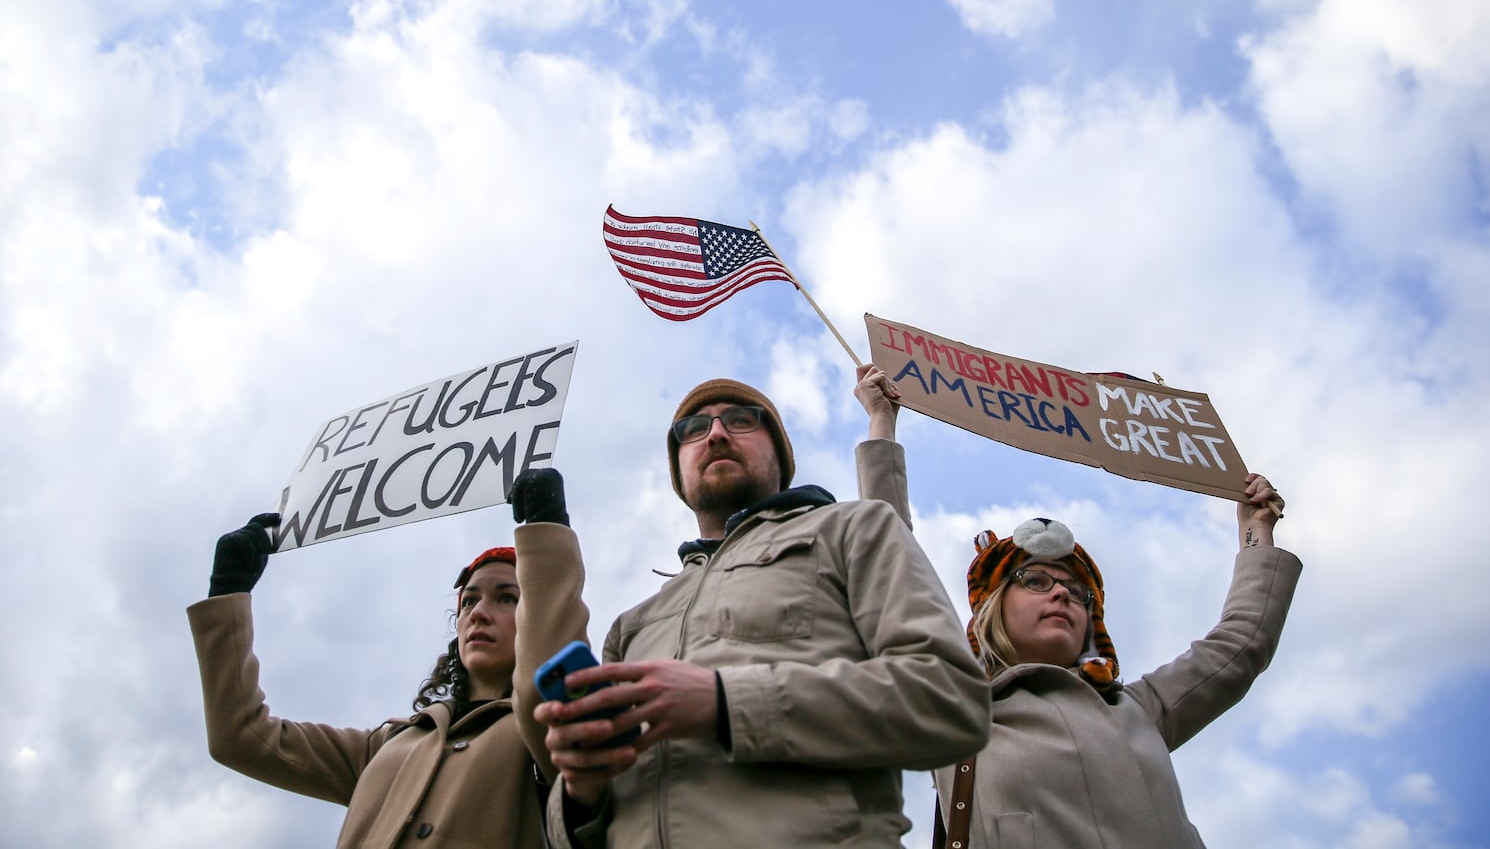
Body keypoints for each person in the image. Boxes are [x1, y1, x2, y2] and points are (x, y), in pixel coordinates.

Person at [854, 363, 1302, 848]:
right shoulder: (951, 710)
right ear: (993, 609)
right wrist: (882, 421)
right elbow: (892, 562)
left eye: (1076, 590)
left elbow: (1243, 640)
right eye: (1036, 581)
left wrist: (1255, 529)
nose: (1062, 593)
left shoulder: (1140, 709)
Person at [532, 377, 991, 848]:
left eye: (740, 419)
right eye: (693, 429)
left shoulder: (852, 530)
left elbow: (951, 696)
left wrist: (727, 702)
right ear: (679, 472)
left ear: (781, 456)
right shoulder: (632, 625)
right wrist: (580, 791)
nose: (715, 434)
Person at [187, 469, 586, 848]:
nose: (478, 613)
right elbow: (239, 737)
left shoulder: (553, 731)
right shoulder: (386, 746)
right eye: (469, 601)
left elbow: (549, 686)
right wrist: (228, 591)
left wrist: (547, 531)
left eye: (507, 598)